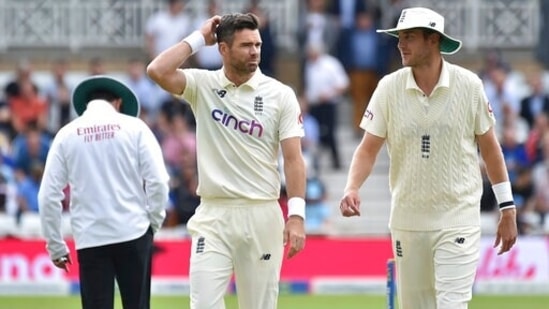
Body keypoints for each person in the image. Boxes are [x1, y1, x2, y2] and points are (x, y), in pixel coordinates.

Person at [339, 7, 518, 309]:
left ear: (433, 40)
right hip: (407, 221)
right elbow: (367, 149)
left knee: (451, 305)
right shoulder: (388, 87)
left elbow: (490, 149)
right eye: (399, 37)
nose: (400, 44)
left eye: (408, 37)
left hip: (457, 218)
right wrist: (352, 187)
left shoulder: (469, 85)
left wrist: (507, 207)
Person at [147, 13, 307, 309]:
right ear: (223, 49)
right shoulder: (202, 85)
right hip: (213, 214)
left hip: (261, 212)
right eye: (246, 45)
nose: (255, 51)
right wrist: (198, 38)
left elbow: (294, 159)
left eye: (257, 44)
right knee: (203, 305)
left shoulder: (280, 94)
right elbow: (157, 70)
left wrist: (296, 215)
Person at [38, 75, 170, 309]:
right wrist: (154, 222)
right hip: (134, 231)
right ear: (118, 102)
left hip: (90, 237)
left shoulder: (66, 134)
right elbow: (158, 181)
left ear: (86, 103)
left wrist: (55, 245)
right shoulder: (135, 127)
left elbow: (48, 195)